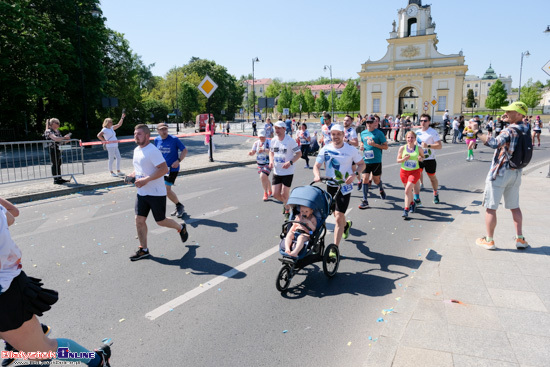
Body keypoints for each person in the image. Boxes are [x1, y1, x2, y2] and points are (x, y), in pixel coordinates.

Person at [0, 198, 112, 367]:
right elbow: (11, 216)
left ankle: (97, 359)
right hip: (8, 289)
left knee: (43, 353)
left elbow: (11, 216)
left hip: (6, 294)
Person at [126, 124, 189, 261]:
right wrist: (132, 175)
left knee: (160, 221)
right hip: (142, 192)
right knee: (139, 220)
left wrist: (146, 180)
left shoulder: (152, 150)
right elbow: (139, 169)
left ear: (148, 136)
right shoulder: (137, 150)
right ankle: (143, 249)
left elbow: (164, 169)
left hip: (156, 193)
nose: (136, 136)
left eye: (139, 134)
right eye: (135, 133)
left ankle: (180, 227)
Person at [474, 101, 530, 250]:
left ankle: (489, 240)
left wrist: (478, 132)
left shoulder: (509, 130)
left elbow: (493, 143)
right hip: (516, 172)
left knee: (490, 207)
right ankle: (520, 239)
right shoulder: (525, 128)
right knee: (515, 206)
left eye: (510, 111)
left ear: (519, 114)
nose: (506, 113)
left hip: (500, 172)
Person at [313, 125, 365, 250]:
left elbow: (362, 164)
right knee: (336, 214)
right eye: (333, 134)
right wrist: (317, 175)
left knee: (338, 216)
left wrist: (355, 174)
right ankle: (346, 225)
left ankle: (334, 248)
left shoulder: (351, 149)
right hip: (330, 185)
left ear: (343, 134)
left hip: (344, 186)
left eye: (338, 134)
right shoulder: (326, 149)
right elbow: (316, 166)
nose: (335, 137)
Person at [154, 122, 188, 219]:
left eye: (165, 129)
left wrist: (178, 160)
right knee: (164, 190)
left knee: (166, 190)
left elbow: (184, 150)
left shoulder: (174, 139)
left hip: (173, 169)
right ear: (158, 131)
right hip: (162, 169)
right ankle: (178, 206)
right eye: (161, 129)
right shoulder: (156, 140)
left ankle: (179, 205)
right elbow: (156, 153)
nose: (164, 131)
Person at [269, 121, 302, 219]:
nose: (277, 130)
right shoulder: (274, 140)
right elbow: (271, 152)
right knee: (275, 194)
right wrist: (271, 161)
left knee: (284, 193)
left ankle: (287, 210)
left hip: (288, 171)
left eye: (279, 128)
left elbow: (299, 154)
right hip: (277, 171)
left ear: (284, 129)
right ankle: (288, 204)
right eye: (275, 128)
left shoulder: (290, 141)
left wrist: (290, 162)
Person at [358, 115, 388, 209]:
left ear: (375, 123)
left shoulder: (379, 133)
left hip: (376, 161)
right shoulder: (363, 133)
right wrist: (361, 146)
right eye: (367, 122)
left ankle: (381, 188)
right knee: (365, 178)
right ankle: (365, 200)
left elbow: (386, 146)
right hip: (366, 160)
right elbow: (362, 142)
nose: (369, 124)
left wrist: (375, 145)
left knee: (376, 180)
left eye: (371, 122)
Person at [413, 114, 443, 205]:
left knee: (432, 178)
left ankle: (435, 193)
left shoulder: (432, 132)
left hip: (430, 159)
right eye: (421, 120)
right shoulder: (417, 132)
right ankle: (416, 198)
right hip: (419, 158)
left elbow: (439, 146)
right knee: (416, 178)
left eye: (425, 121)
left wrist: (428, 146)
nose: (423, 122)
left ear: (429, 122)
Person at [397, 131, 425, 219]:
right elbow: (398, 160)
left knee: (407, 190)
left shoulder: (419, 148)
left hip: (414, 172)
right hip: (404, 172)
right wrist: (404, 159)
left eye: (412, 137)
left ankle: (406, 210)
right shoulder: (402, 148)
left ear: (415, 138)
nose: (410, 139)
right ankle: (412, 203)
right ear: (406, 139)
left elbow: (423, 158)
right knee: (408, 191)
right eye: (408, 137)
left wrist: (421, 159)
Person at [44, 118, 72, 185]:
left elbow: (61, 140)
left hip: (59, 148)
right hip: (52, 149)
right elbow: (55, 139)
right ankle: (56, 179)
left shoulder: (57, 131)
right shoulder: (48, 131)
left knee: (59, 163)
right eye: (57, 123)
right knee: (54, 163)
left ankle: (59, 178)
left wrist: (67, 139)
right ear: (52, 123)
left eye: (58, 123)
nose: (58, 124)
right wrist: (64, 138)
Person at [248, 130, 272, 201]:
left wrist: (264, 150)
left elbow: (272, 151)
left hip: (267, 162)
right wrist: (251, 153)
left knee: (262, 176)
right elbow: (253, 152)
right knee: (265, 178)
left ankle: (265, 193)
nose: (261, 138)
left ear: (265, 136)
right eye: (260, 137)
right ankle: (270, 190)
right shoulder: (256, 143)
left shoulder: (269, 142)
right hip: (260, 163)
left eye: (263, 137)